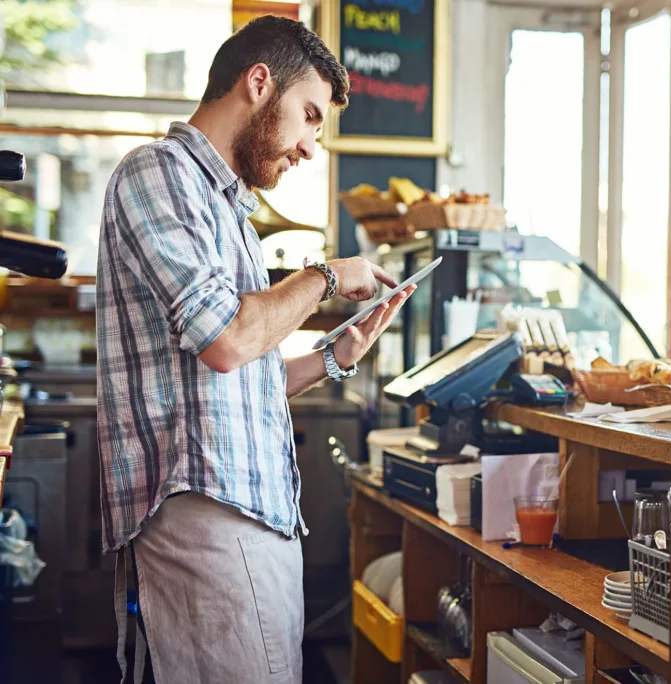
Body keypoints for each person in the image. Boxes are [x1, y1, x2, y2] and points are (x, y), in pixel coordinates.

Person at [95, 16, 409, 684]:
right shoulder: (159, 173)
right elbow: (229, 339)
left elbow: (238, 376)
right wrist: (324, 277)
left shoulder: (228, 209)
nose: (307, 147)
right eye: (308, 116)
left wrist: (334, 357)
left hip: (247, 518)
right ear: (259, 83)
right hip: (210, 517)